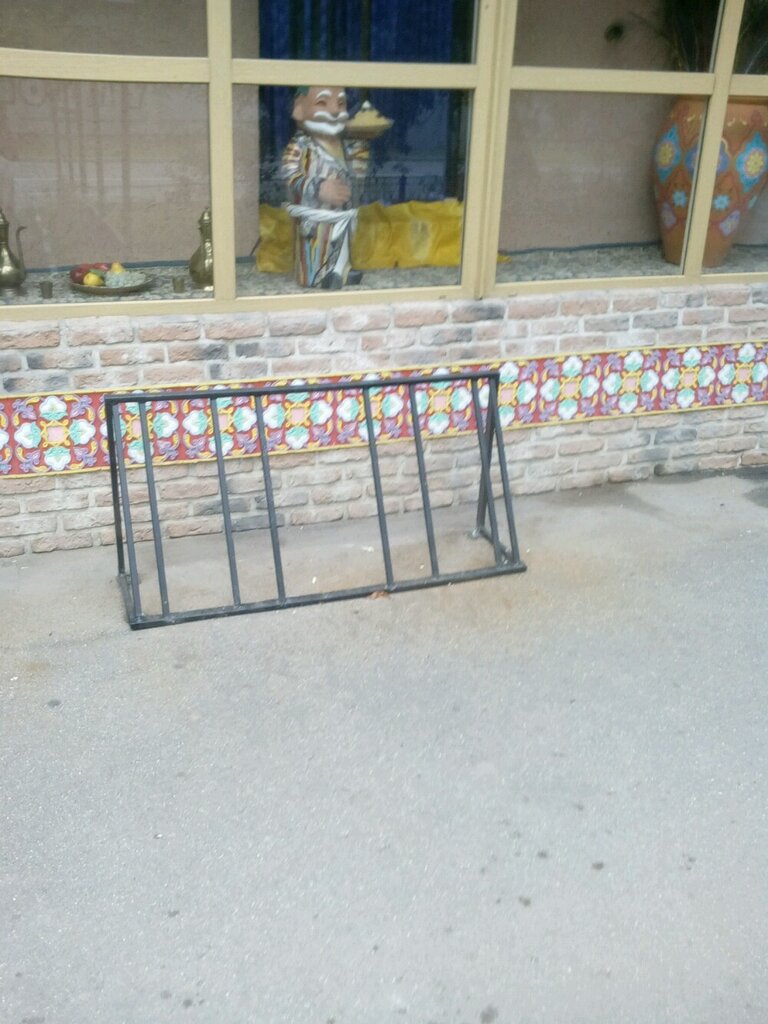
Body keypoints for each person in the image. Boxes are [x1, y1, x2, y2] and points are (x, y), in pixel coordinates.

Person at [281, 86, 370, 289]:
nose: (334, 110)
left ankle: (340, 272)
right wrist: (317, 187)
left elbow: (356, 176)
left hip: (342, 213)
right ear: (299, 108)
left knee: (342, 242)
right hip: (314, 219)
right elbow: (289, 172)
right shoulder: (300, 145)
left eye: (341, 103)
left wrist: (360, 158)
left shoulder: (346, 146)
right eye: (322, 103)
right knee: (316, 248)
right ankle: (318, 276)